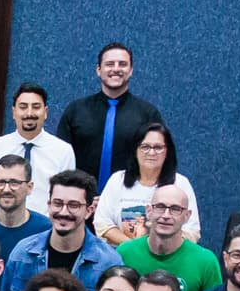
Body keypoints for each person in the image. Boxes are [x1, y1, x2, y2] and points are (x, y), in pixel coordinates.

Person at [57, 44, 165, 193]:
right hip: (80, 201)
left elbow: (158, 159)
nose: (116, 69)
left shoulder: (147, 114)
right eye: (109, 64)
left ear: (131, 70)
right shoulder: (76, 110)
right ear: (98, 70)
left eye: (122, 64)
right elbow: (61, 159)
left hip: (129, 200)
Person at [6, 170, 123, 291]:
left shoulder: (109, 262)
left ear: (89, 211)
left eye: (73, 205)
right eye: (57, 203)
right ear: (49, 205)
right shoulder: (23, 253)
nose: (63, 212)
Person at [92, 123, 202, 247]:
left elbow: (191, 231)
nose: (151, 152)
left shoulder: (181, 183)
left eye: (158, 147)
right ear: (135, 150)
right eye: (145, 146)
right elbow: (102, 223)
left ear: (167, 151)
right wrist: (135, 248)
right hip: (121, 257)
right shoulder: (118, 180)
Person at [0, 85, 72, 211]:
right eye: (23, 107)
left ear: (45, 112)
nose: (29, 113)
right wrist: (0, 223)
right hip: (0, 226)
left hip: (45, 227)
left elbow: (65, 200)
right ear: (14, 112)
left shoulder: (63, 151)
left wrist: (43, 226)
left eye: (36, 107)